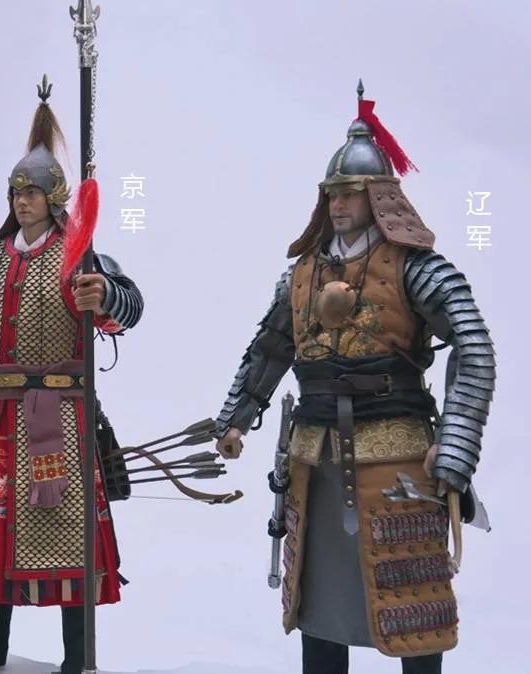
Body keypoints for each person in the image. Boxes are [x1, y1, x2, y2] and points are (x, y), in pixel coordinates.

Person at [212, 83, 494, 674]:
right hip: (313, 458)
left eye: (351, 192)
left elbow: (473, 346)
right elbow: (270, 348)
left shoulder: (415, 268)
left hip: (398, 457)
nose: (339, 204)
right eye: (332, 193)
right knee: (317, 602)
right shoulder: (302, 275)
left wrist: (457, 445)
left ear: (380, 197)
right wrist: (235, 419)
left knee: (413, 602)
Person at [0, 81, 143, 674]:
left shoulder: (81, 257)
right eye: (16, 192)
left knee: (67, 533)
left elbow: (126, 312)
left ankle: (78, 658)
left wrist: (103, 297)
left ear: (55, 198)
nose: (22, 201)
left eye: (33, 192)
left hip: (61, 422)